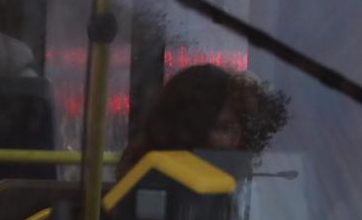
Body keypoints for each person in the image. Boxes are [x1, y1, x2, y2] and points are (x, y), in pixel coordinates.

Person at [118, 64, 289, 176]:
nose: (235, 140)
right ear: (187, 129)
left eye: (241, 128)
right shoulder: (148, 181)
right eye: (223, 127)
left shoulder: (229, 183)